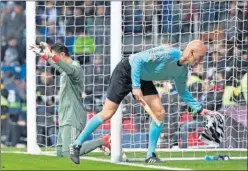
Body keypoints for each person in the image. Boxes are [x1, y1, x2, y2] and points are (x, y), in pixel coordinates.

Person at [69, 40, 211, 164]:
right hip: (126, 71)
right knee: (107, 113)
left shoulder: (182, 72)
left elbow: (182, 92)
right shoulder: (169, 52)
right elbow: (137, 60)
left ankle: (150, 155)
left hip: (143, 78)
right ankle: (76, 145)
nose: (201, 61)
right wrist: (135, 86)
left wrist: (199, 109)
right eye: (200, 57)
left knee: (159, 112)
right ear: (191, 52)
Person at [30, 42, 110, 157]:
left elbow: (67, 69)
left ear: (62, 55)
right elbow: (57, 65)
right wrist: (41, 53)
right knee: (59, 153)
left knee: (68, 153)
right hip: (64, 114)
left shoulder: (75, 68)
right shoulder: (64, 70)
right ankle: (101, 142)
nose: (54, 58)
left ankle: (103, 141)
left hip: (73, 115)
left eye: (55, 55)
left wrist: (51, 55)